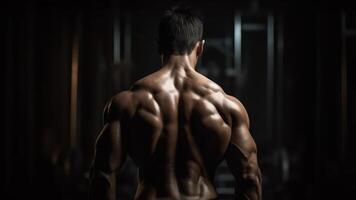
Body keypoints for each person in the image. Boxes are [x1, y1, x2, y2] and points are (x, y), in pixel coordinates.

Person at [89, 6, 262, 200]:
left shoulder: (127, 103)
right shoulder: (226, 107)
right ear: (200, 47)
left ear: (159, 46)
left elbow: (102, 173)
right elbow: (249, 177)